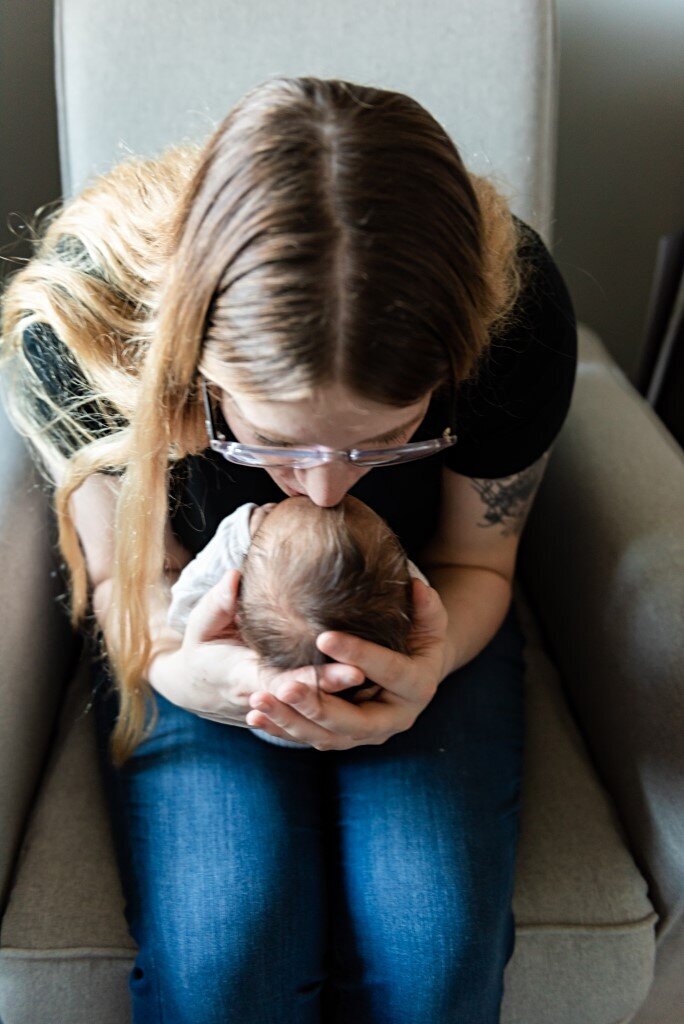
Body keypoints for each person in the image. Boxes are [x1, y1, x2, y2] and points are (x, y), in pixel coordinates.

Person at [0, 76, 577, 1023]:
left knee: (435, 946)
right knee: (229, 958)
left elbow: (479, 563)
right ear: (194, 361)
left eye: (388, 437)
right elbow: (125, 578)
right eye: (272, 440)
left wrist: (425, 670)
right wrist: (185, 671)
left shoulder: (514, 319)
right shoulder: (88, 325)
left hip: (422, 615)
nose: (322, 486)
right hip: (191, 627)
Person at [166, 494, 433, 747]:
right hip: (371, 705)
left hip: (253, 716)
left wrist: (241, 528)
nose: (323, 495)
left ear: (237, 615)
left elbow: (180, 611)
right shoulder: (406, 584)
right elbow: (421, 627)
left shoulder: (236, 552)